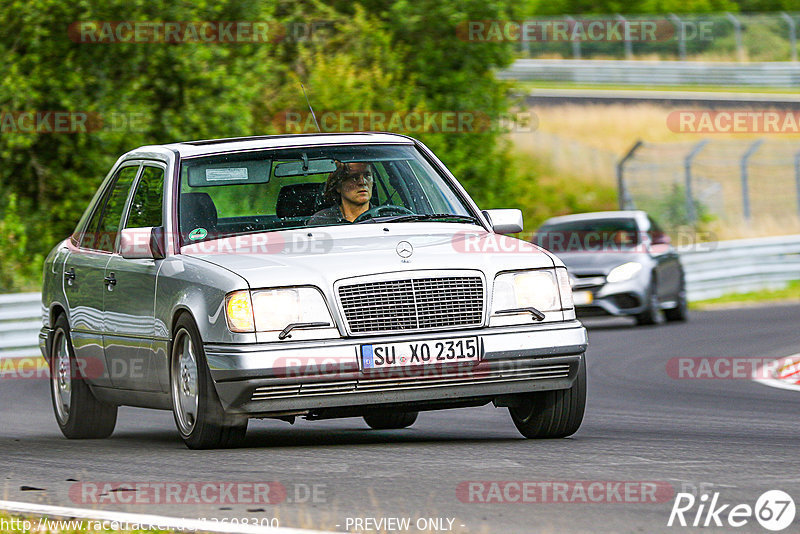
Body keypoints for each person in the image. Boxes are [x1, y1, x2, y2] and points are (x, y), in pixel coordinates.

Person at [308, 161, 374, 225]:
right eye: (354, 177)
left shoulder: (382, 217)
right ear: (338, 186)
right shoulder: (322, 221)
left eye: (367, 175)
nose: (362, 182)